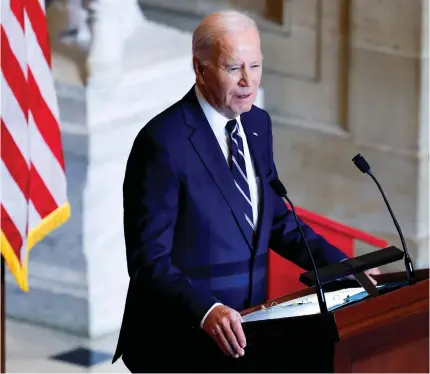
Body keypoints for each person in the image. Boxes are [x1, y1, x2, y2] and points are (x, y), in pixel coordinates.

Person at [112, 10, 379, 372]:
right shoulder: (162, 143)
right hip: (179, 339)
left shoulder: (256, 124)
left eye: (255, 66)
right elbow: (149, 261)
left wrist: (347, 268)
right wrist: (206, 309)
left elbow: (276, 222)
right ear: (200, 68)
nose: (247, 81)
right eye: (234, 67)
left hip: (247, 331)